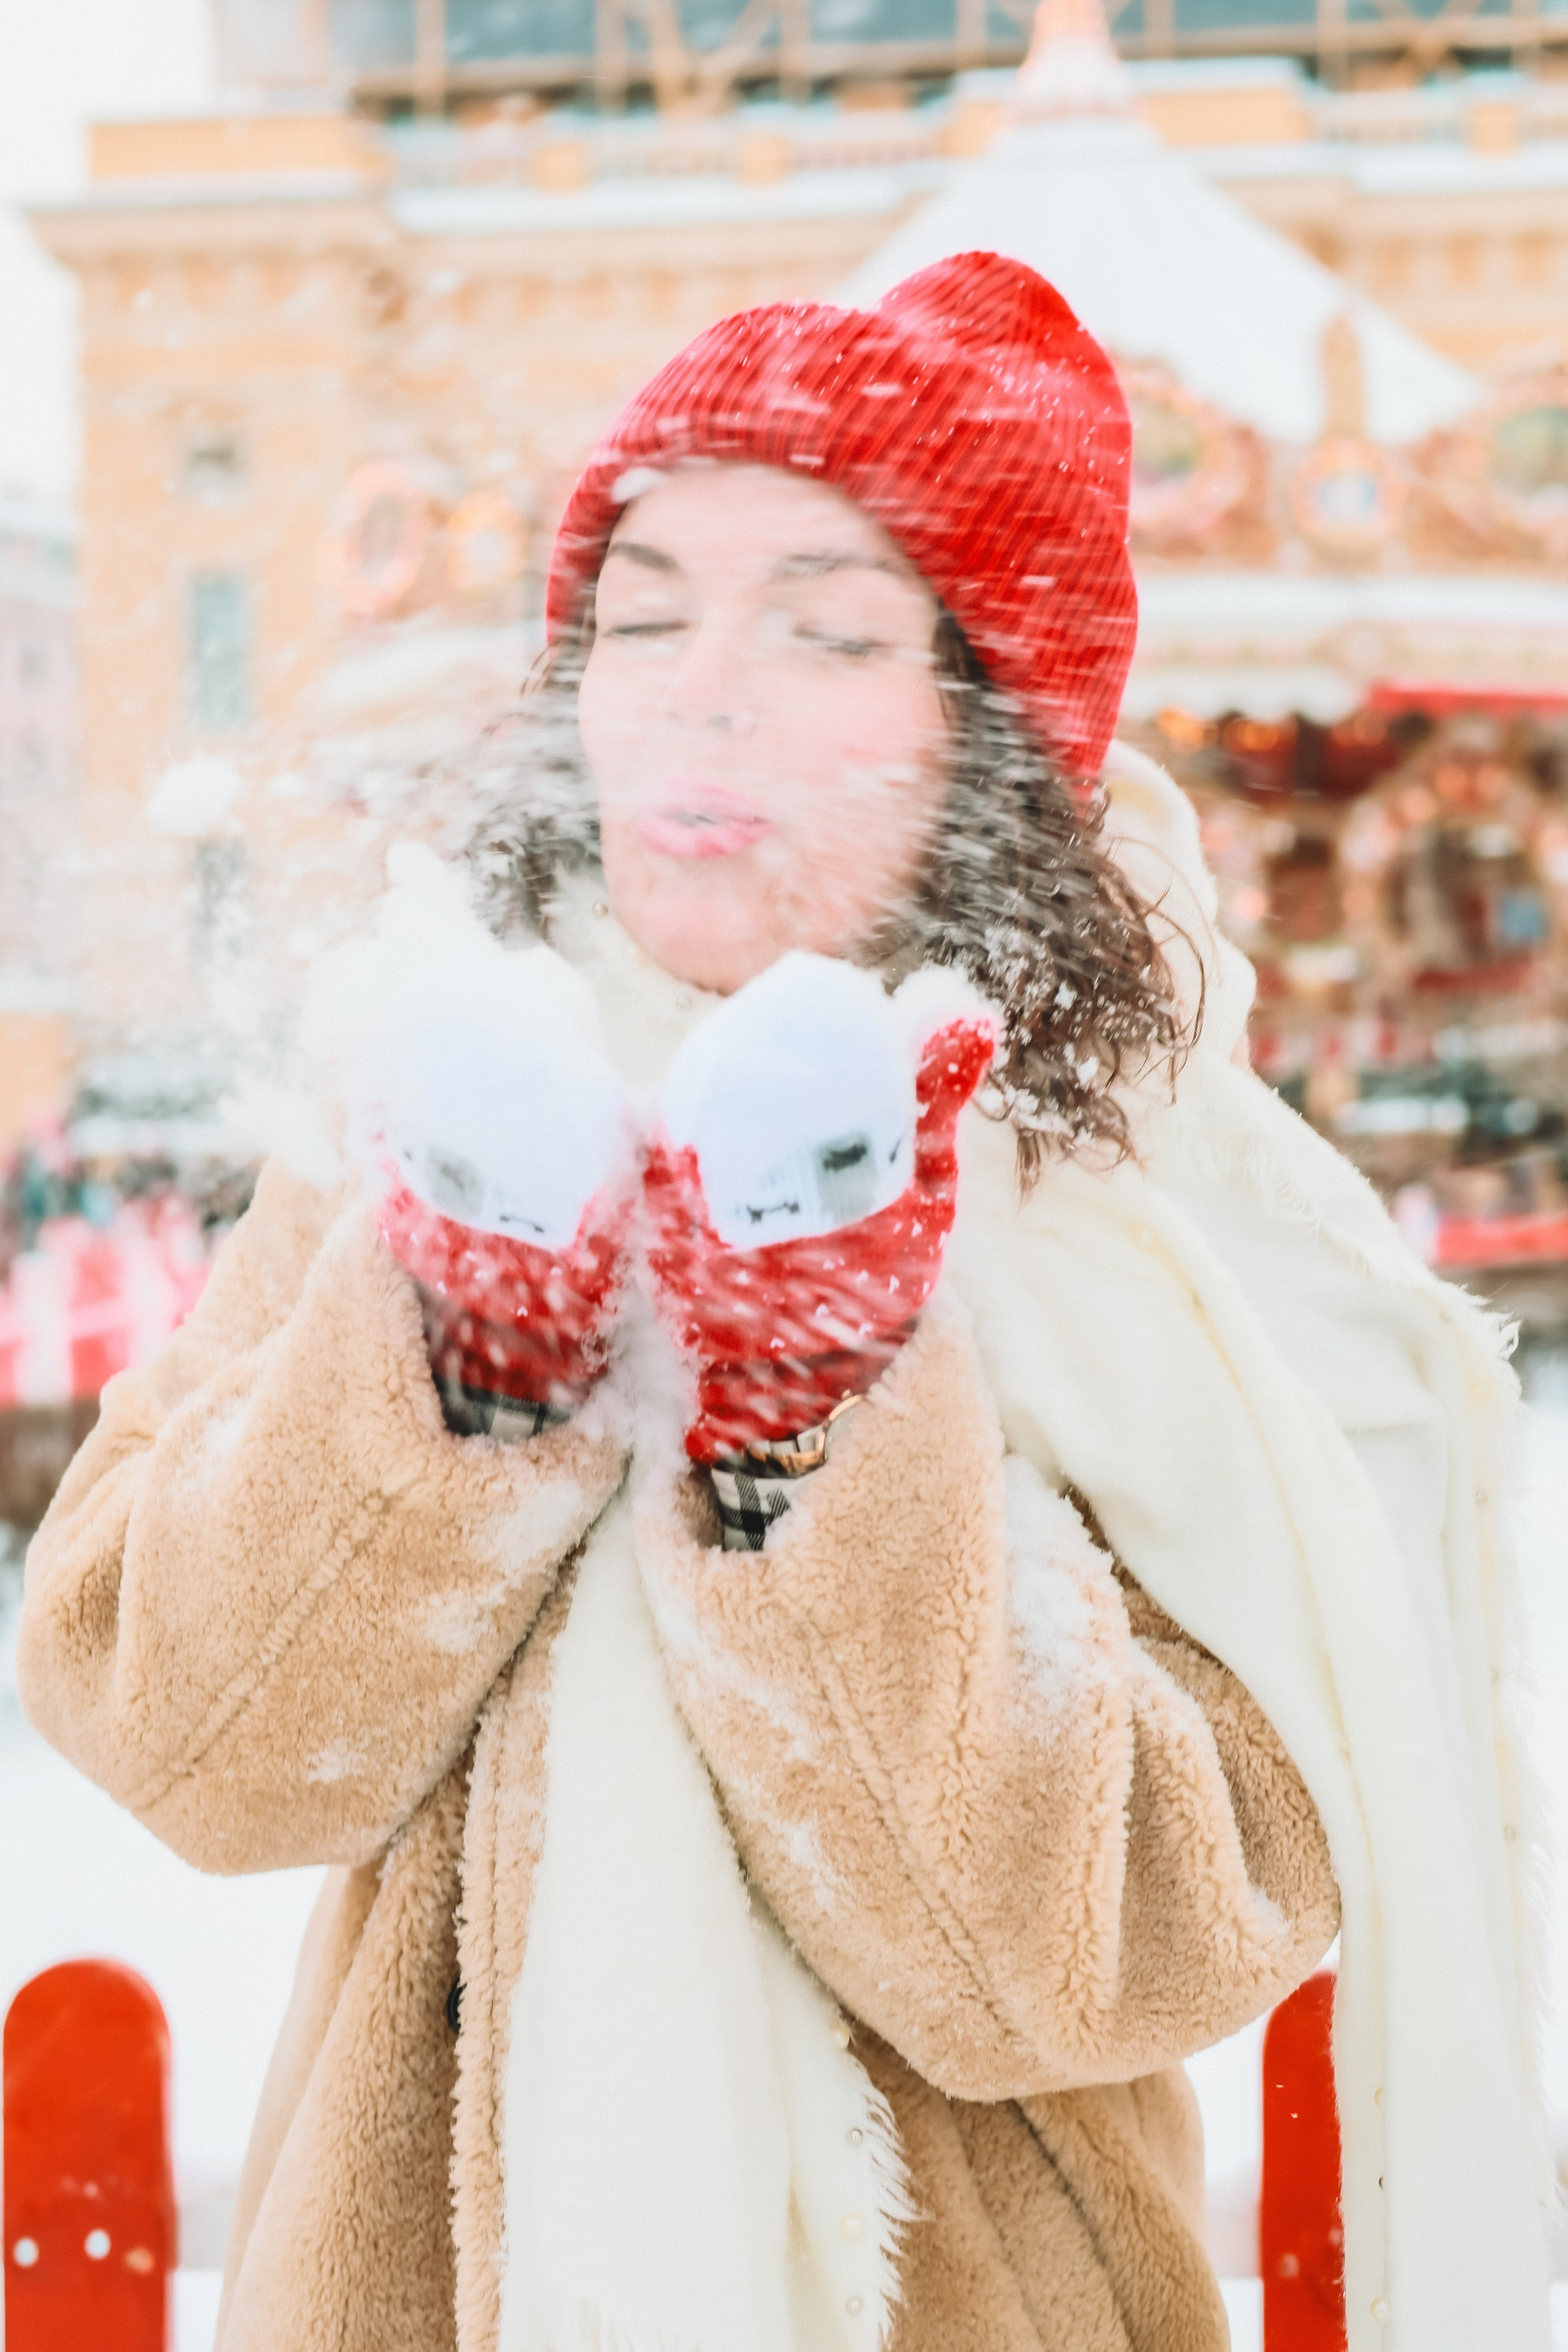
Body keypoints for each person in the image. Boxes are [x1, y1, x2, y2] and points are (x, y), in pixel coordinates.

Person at [18, 255, 1548, 2352]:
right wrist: (474, 1368)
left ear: (992, 734)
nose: (701, 686)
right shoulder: (436, 1128)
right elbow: (198, 1751)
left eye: (827, 627)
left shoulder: (1182, 1239)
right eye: (644, 616)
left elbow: (1065, 1966)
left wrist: (801, 1421)